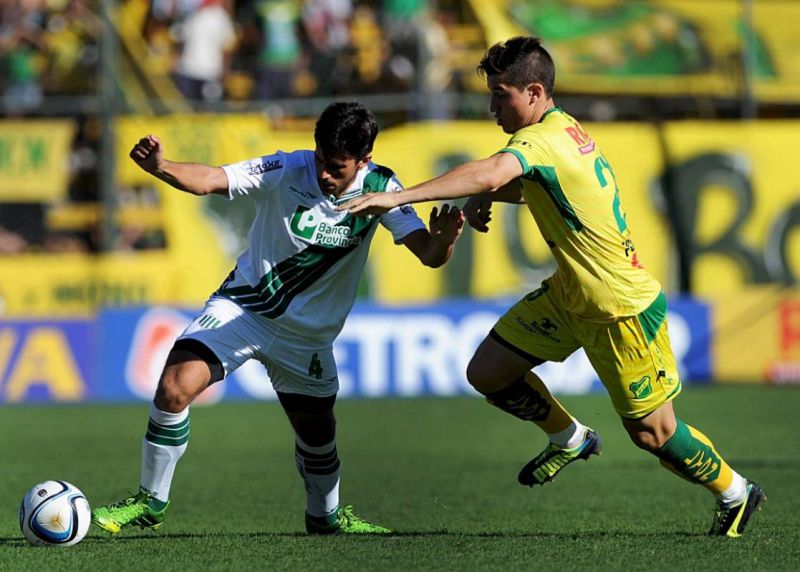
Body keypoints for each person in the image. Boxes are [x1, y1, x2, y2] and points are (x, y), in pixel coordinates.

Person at [339, 37, 764, 538]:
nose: (493, 106)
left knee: (655, 435)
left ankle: (736, 492)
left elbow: (492, 170)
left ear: (535, 91)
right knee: (489, 373)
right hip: (571, 295)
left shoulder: (540, 141)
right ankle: (568, 437)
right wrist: (487, 196)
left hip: (618, 307)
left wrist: (400, 198)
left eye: (501, 95)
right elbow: (529, 183)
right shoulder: (559, 132)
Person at [91, 102, 464, 535]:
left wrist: (443, 242)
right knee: (174, 387)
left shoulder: (384, 188)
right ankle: (150, 501)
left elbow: (428, 255)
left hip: (307, 340)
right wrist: (161, 166)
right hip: (245, 308)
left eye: (337, 168)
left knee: (318, 436)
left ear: (363, 161)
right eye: (322, 161)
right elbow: (213, 179)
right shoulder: (287, 168)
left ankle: (326, 516)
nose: (325, 174)